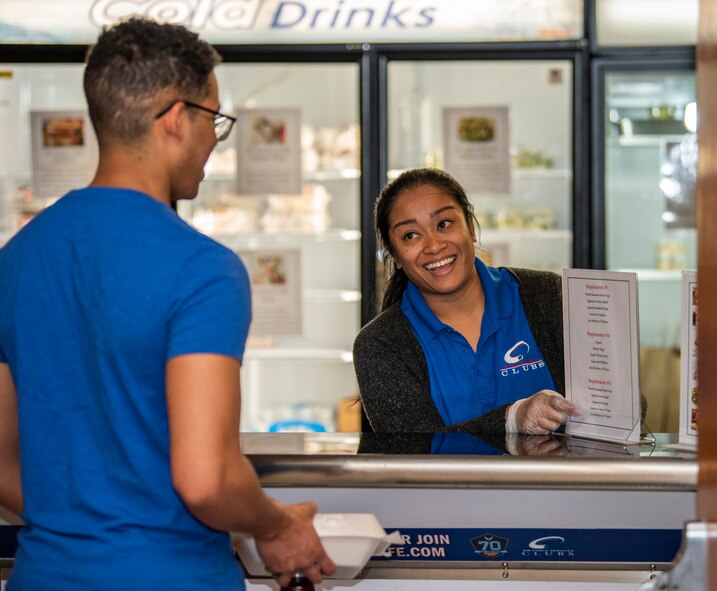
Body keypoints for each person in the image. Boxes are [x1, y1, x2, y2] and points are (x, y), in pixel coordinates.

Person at [0, 18, 334, 590]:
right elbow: (206, 479)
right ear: (178, 120)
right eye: (215, 119)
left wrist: (90, 523)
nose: (214, 139)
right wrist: (276, 525)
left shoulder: (16, 259)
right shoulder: (201, 268)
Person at [353, 167, 584, 434]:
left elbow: (620, 405)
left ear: (471, 227)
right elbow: (413, 451)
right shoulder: (381, 345)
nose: (434, 245)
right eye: (411, 235)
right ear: (394, 255)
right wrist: (512, 419)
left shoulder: (545, 295)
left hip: (560, 477)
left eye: (444, 224)